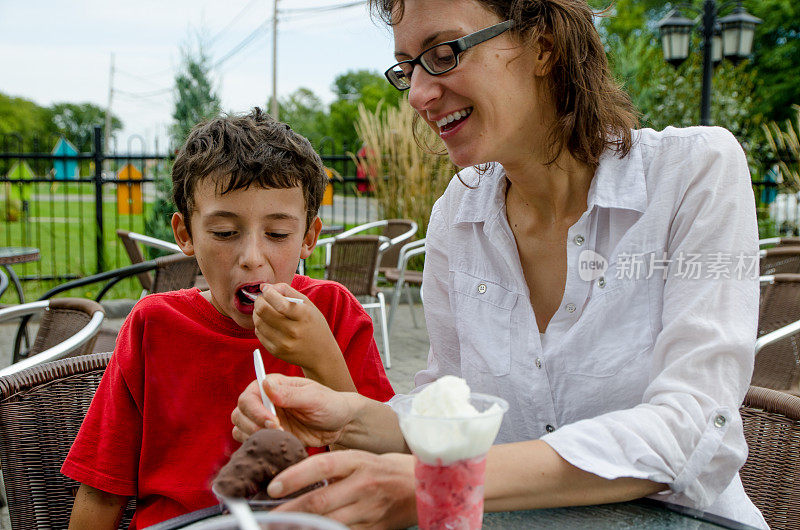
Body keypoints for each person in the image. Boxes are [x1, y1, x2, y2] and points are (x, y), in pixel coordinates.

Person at [232, 0, 768, 529]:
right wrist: (349, 416)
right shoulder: (456, 216)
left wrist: (440, 483)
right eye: (408, 68)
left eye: (442, 53)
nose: (418, 94)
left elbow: (694, 426)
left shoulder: (693, 174)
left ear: (543, 45)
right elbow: (450, 411)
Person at [61, 109, 395, 529]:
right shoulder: (154, 325)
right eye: (223, 233)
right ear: (185, 235)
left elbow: (382, 469)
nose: (252, 258)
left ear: (310, 237)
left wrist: (320, 356)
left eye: (277, 234)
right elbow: (100, 489)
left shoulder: (335, 313)